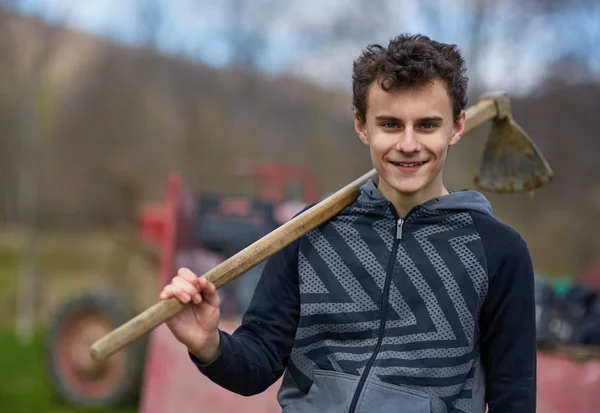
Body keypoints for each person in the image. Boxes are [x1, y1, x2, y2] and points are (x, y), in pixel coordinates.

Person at [158, 33, 537, 413]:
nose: (407, 144)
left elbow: (513, 396)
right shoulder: (309, 231)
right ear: (362, 125)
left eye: (426, 125)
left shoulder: (497, 252)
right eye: (390, 124)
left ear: (456, 128)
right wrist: (208, 343)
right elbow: (257, 364)